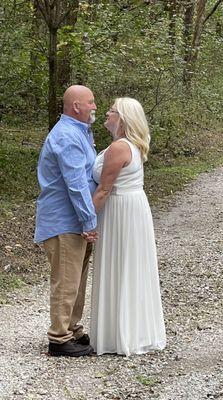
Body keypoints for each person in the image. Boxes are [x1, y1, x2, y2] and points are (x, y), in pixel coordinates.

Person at [89, 97, 166, 356]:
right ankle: (132, 330)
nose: (106, 114)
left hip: (120, 208)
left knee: (120, 265)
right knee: (130, 266)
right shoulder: (131, 145)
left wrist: (86, 221)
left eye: (111, 111)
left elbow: (104, 189)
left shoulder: (119, 147)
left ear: (121, 118)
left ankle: (120, 334)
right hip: (133, 206)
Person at [34, 85, 99, 357]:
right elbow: (76, 184)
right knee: (66, 279)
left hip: (74, 222)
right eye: (91, 102)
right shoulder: (67, 136)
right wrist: (89, 221)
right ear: (76, 106)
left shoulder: (79, 132)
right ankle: (59, 339)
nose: (95, 106)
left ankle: (72, 328)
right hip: (64, 222)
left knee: (77, 279)